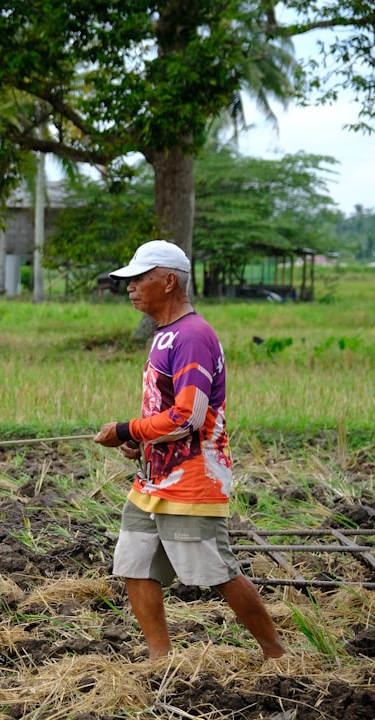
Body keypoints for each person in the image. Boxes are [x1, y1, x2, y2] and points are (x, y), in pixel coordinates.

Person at [94, 240, 285, 661]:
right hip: (155, 478)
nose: (129, 287)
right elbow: (167, 414)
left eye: (138, 278)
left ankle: (276, 656)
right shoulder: (165, 335)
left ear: (168, 281)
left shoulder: (192, 336)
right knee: (135, 563)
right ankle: (158, 661)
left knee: (217, 571)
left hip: (193, 479)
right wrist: (137, 440)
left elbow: (189, 416)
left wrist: (127, 428)